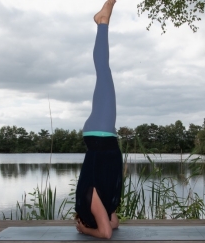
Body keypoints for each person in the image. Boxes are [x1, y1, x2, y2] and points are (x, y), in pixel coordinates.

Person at [74, 0, 122, 239]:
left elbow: (105, 233)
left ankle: (102, 21)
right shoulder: (98, 205)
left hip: (100, 134)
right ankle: (102, 21)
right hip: (102, 137)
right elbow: (113, 224)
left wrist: (85, 230)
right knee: (104, 73)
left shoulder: (89, 199)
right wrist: (92, 225)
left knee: (104, 71)